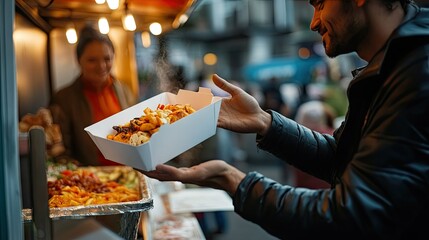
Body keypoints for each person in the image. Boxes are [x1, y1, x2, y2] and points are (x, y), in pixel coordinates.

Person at [142, 0, 429, 239]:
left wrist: (234, 180)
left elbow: (352, 215)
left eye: (320, 4)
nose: (313, 22)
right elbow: (342, 158)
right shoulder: (394, 65)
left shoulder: (417, 72)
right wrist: (265, 122)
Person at [50, 25, 136, 166]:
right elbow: (60, 150)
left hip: (128, 172)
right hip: (91, 180)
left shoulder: (124, 91)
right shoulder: (63, 98)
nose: (101, 66)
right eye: (92, 60)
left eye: (107, 59)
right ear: (79, 60)